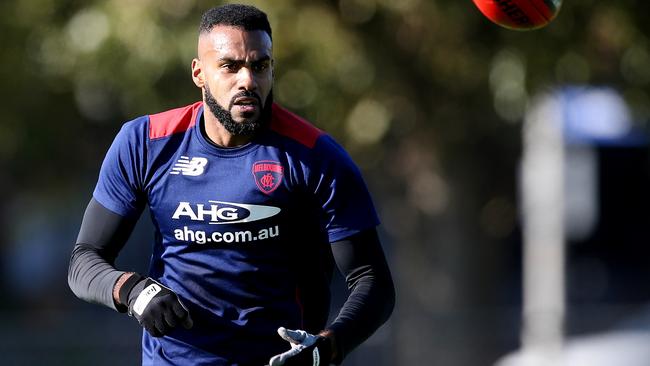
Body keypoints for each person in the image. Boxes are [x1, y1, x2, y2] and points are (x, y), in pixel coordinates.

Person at [68, 4, 394, 366]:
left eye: (260, 66)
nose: (248, 81)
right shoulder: (145, 142)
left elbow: (372, 282)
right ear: (199, 73)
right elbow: (84, 262)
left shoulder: (316, 156)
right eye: (230, 66)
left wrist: (327, 347)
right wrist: (133, 292)